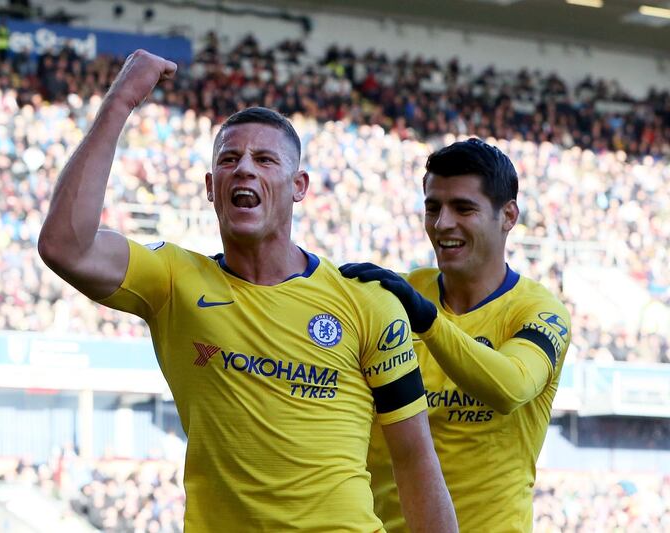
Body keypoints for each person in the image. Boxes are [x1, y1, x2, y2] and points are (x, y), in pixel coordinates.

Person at [38, 49, 457, 532]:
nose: (244, 170)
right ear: (211, 187)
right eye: (230, 160)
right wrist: (120, 102)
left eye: (264, 159)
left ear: (298, 185)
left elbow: (414, 461)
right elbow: (64, 246)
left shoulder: (367, 301)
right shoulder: (173, 280)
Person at [341, 138, 572, 532]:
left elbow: (510, 386)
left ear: (508, 215)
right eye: (433, 207)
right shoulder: (392, 298)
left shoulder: (539, 311)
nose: (442, 223)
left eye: (463, 208)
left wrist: (427, 321)